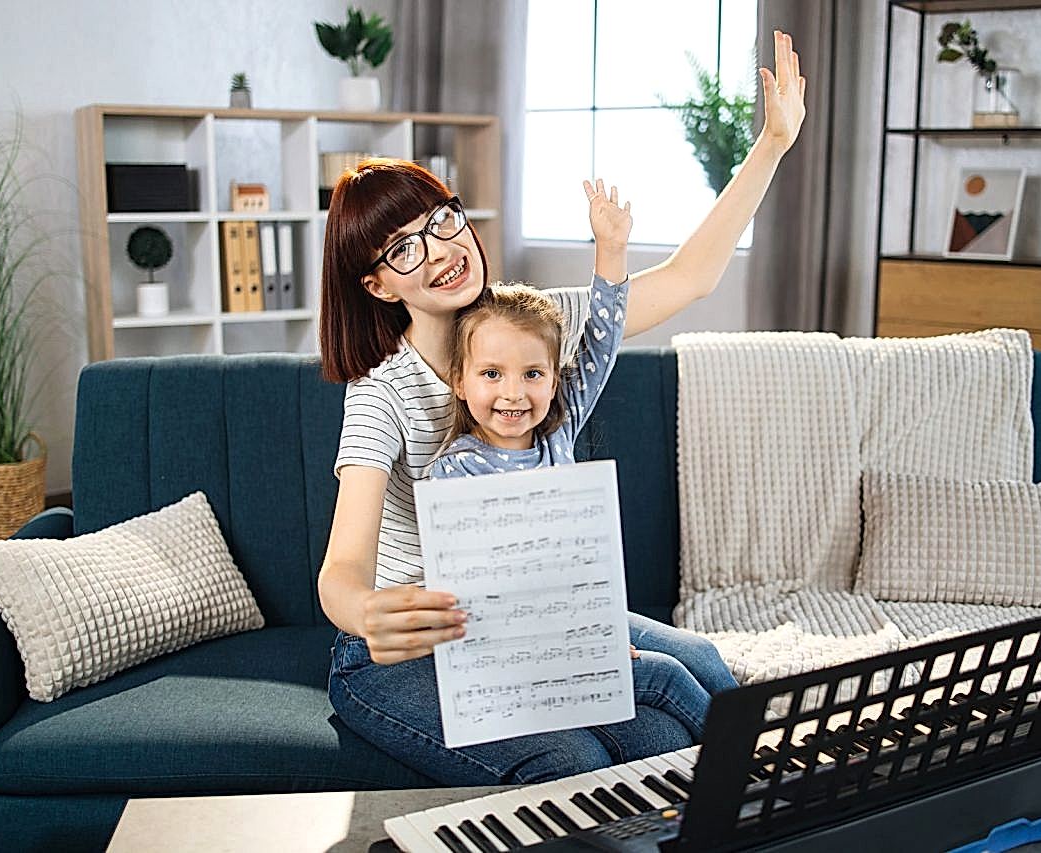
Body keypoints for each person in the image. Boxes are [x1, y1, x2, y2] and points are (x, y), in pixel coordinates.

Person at [319, 30, 806, 786]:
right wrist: (364, 610)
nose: (440, 250)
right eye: (402, 249)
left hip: (530, 623)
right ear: (379, 286)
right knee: (574, 758)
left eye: (441, 221)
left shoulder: (529, 327)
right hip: (407, 650)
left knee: (689, 679)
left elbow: (691, 276)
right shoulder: (383, 391)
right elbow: (342, 567)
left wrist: (771, 146)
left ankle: (772, 805)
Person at [429, 180, 735, 743]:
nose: (513, 394)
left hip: (582, 624)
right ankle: (747, 770)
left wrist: (611, 253)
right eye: (491, 374)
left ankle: (761, 759)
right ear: (461, 381)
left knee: (702, 654)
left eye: (532, 374)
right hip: (518, 648)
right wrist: (579, 639)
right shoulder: (456, 470)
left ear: (553, 379)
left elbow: (602, 338)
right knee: (665, 675)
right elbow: (477, 592)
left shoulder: (558, 431)